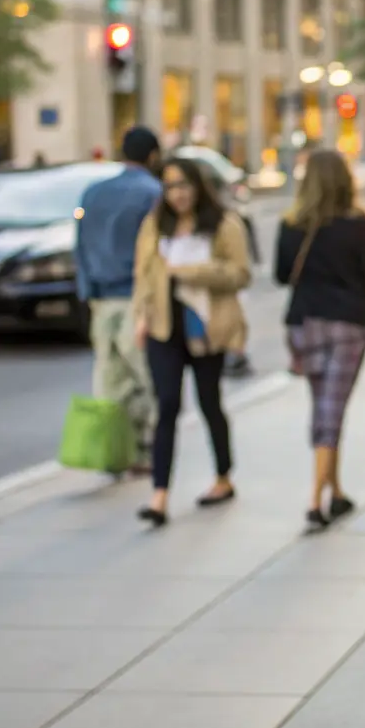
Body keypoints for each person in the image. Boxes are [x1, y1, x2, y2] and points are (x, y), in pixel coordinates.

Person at [132, 157, 252, 526]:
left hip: (205, 327)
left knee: (209, 402)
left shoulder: (224, 224)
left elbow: (240, 273)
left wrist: (189, 273)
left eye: (184, 185)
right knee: (166, 405)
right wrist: (141, 316)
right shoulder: (155, 225)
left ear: (199, 187)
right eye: (170, 187)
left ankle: (223, 477)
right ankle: (159, 496)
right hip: (164, 328)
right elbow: (143, 273)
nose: (178, 194)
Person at [274, 149, 365, 533]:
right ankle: (314, 501)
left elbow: (281, 275)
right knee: (331, 411)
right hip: (348, 325)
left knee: (322, 405)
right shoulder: (357, 224)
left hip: (305, 325)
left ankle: (335, 491)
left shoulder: (290, 225)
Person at [75, 126, 163, 473]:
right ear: (153, 156)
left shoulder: (93, 192)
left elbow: (80, 245)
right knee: (146, 377)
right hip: (135, 297)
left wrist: (88, 290)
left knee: (109, 379)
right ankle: (142, 450)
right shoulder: (152, 193)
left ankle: (113, 451)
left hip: (100, 296)